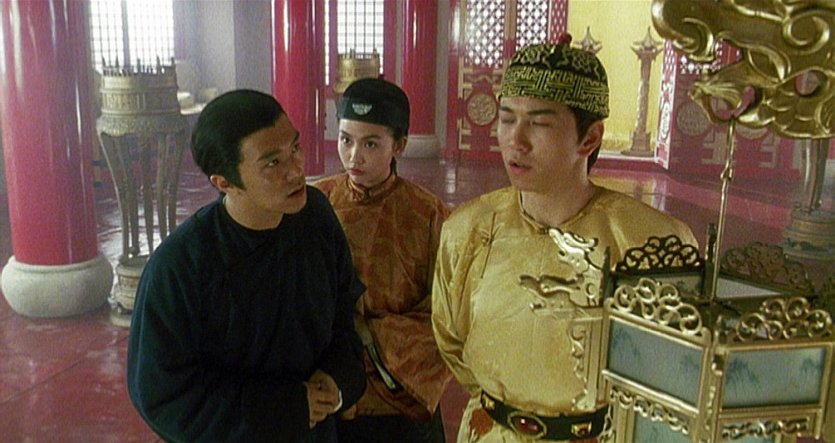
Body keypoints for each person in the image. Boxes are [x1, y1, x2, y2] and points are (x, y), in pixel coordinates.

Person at [432, 39, 699, 443]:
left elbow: (673, 369)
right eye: (507, 119)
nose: (515, 141)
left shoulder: (653, 241)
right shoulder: (468, 229)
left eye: (538, 124)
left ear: (589, 138)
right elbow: (451, 340)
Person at [126, 89, 366, 443]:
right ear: (224, 182)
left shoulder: (315, 216)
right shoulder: (181, 266)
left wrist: (337, 378)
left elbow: (345, 316)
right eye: (272, 163)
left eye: (295, 148)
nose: (296, 170)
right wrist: (284, 409)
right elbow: (163, 395)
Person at [313, 78, 451, 443]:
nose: (354, 156)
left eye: (371, 143)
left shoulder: (430, 215)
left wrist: (367, 339)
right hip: (327, 392)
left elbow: (448, 316)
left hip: (399, 399)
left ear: (399, 145)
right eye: (346, 140)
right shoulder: (314, 204)